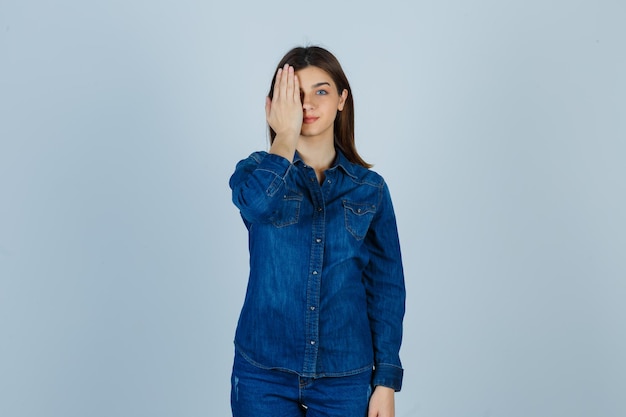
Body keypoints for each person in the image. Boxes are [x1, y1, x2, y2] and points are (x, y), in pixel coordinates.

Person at [229, 46, 406, 417]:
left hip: (345, 377)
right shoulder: (255, 172)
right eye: (295, 95)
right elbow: (257, 206)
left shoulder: (370, 190)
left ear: (343, 99)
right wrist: (286, 134)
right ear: (275, 105)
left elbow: (386, 288)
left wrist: (386, 381)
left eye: (321, 91)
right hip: (263, 374)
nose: (307, 104)